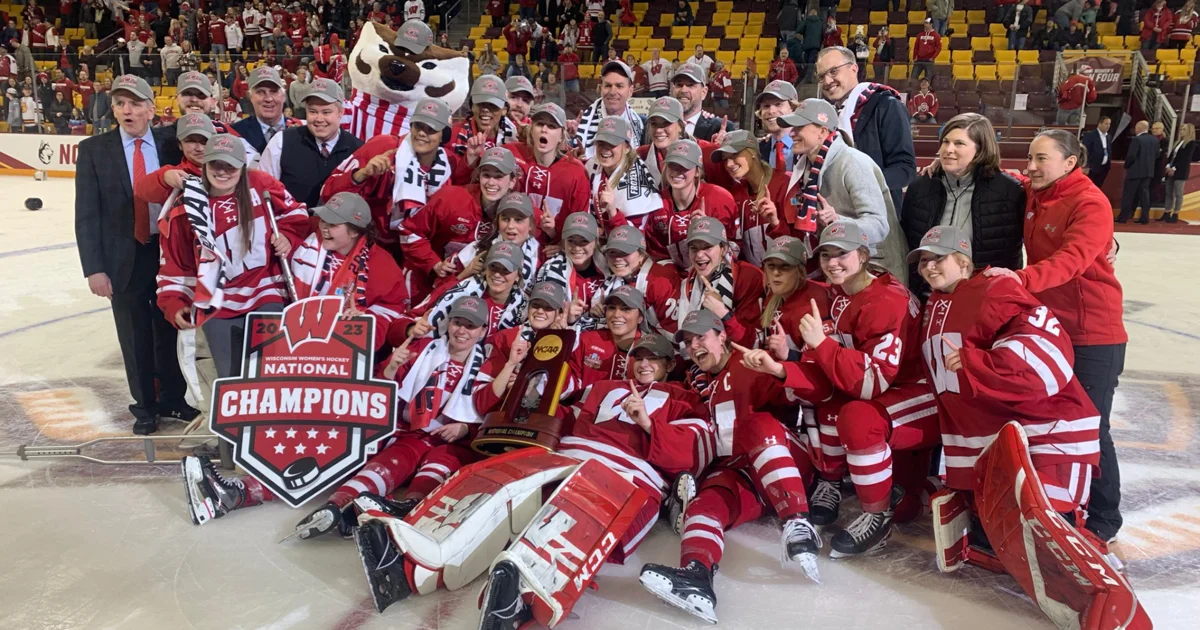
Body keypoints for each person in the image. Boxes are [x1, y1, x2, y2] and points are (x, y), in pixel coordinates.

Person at [744, 220, 939, 556]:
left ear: (863, 255)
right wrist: (783, 368)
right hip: (886, 394)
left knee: (857, 416)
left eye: (841, 254)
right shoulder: (835, 294)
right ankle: (833, 481)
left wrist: (821, 345)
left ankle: (877, 515)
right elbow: (829, 372)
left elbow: (871, 382)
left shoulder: (886, 300)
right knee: (827, 397)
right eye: (826, 255)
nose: (832, 262)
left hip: (920, 392)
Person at [983, 129, 1127, 553]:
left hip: (1093, 333)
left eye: (1041, 158)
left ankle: (1104, 517)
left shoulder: (1090, 203)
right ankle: (1061, 503)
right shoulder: (1037, 189)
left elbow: (1072, 260)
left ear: (1070, 163)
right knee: (1050, 421)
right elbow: (1016, 177)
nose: (1031, 166)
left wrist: (1020, 279)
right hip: (1050, 329)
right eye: (1029, 157)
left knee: (1091, 425)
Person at [909, 223, 1101, 538]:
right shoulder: (936, 303)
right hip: (989, 438)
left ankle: (1078, 532)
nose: (929, 267)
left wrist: (976, 362)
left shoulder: (996, 288)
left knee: (1046, 516)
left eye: (938, 258)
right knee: (996, 526)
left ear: (963, 261)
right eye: (923, 261)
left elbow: (1047, 356)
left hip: (1043, 430)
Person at [638, 309, 821, 624]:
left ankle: (798, 523)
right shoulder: (697, 382)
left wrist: (780, 366)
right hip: (745, 474)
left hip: (787, 462)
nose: (694, 346)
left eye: (701, 337)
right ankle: (697, 575)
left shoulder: (749, 363)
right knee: (703, 505)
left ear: (722, 336)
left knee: (756, 424)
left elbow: (812, 390)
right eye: (688, 342)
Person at [74, 74, 197, 436]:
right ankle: (144, 407)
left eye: (135, 103)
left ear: (151, 109)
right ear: (113, 109)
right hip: (122, 258)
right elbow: (86, 215)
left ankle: (173, 398)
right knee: (134, 335)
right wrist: (94, 269)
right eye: (120, 104)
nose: (127, 110)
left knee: (169, 331)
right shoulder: (94, 150)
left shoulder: (170, 143)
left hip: (167, 252)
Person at [156, 133, 308, 381]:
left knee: (269, 376)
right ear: (205, 165)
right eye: (216, 164)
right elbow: (174, 263)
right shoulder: (187, 206)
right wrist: (173, 303)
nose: (222, 172)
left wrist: (288, 237)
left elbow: (296, 214)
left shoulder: (260, 183)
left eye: (230, 165)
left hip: (266, 291)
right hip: (216, 303)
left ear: (242, 166)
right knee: (229, 381)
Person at [777, 99, 909, 283]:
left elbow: (879, 225)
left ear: (823, 131)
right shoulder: (806, 166)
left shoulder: (853, 163)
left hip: (875, 269)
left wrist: (838, 221)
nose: (792, 133)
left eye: (800, 127)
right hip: (839, 265)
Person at [900, 113, 1025, 296]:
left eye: (959, 143)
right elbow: (908, 245)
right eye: (945, 142)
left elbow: (1013, 255)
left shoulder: (1009, 192)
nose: (948, 149)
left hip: (985, 296)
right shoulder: (920, 187)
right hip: (927, 296)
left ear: (980, 150)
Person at [390, 146, 521, 296]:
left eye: (498, 177)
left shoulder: (520, 213)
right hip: (427, 283)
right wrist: (434, 263)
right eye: (486, 175)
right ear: (478, 176)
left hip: (479, 290)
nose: (491, 182)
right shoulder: (451, 199)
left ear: (512, 181)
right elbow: (409, 230)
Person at [814, 46, 916, 216]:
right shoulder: (828, 116)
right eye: (821, 76)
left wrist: (859, 185)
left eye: (833, 71)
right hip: (836, 214)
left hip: (878, 215)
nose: (827, 81)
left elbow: (905, 169)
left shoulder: (887, 105)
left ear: (854, 68)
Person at [258, 77, 363, 207]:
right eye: (313, 112)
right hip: (291, 219)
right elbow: (262, 190)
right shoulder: (282, 142)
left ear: (340, 113)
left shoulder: (358, 150)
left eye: (326, 112)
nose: (319, 119)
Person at [644, 140, 738, 270]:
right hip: (671, 274)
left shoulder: (719, 199)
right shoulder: (655, 202)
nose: (677, 171)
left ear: (697, 171)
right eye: (672, 165)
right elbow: (654, 254)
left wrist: (710, 234)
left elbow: (736, 249)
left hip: (714, 272)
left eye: (684, 166)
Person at [504, 103, 592, 239]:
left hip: (554, 245)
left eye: (551, 126)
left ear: (561, 136)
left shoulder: (577, 172)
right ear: (531, 129)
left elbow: (580, 223)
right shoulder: (510, 153)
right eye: (540, 124)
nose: (544, 130)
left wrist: (561, 242)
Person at [712, 130, 792, 265]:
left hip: (788, 270)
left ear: (753, 152)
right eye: (725, 159)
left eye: (735, 155)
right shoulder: (735, 194)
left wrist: (776, 224)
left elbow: (802, 241)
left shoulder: (785, 183)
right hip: (755, 274)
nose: (729, 164)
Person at [584, 116, 661, 234]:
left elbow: (635, 237)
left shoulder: (637, 183)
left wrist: (613, 212)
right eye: (601, 142)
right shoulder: (593, 164)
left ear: (627, 147)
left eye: (612, 143)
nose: (604, 149)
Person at [573, 59, 645, 157]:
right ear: (601, 89)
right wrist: (568, 139)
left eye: (619, 86)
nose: (612, 92)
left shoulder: (641, 125)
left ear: (630, 91)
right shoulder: (581, 124)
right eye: (608, 85)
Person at [230, 65, 293, 155]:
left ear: (284, 96)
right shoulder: (236, 133)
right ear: (251, 97)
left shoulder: (301, 132)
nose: (268, 99)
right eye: (260, 92)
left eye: (274, 91)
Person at [671, 61, 736, 142]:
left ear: (703, 92)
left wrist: (721, 147)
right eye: (679, 85)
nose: (683, 90)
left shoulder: (721, 128)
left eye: (690, 85)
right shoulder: (658, 125)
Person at [755, 80, 799, 173]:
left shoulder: (807, 146)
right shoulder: (758, 150)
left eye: (778, 104)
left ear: (793, 108)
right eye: (766, 106)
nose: (771, 111)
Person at [1118, 120, 1158, 224]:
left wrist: (1127, 165)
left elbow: (1131, 155)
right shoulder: (1154, 140)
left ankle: (1123, 217)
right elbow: (1157, 155)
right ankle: (1144, 217)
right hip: (1148, 172)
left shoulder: (1137, 140)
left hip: (1135, 172)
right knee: (1145, 195)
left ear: (1139, 128)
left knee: (1128, 195)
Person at [1162, 122, 1196, 223]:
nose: (1181, 131)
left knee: (1178, 193)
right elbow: (1172, 156)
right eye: (1181, 129)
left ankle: (1176, 213)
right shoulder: (1178, 142)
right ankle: (1167, 212)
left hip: (1180, 171)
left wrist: (1174, 168)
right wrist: (1168, 166)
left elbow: (1186, 158)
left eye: (1184, 129)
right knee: (1169, 192)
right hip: (1171, 169)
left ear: (1189, 131)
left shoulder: (1191, 143)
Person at [1082, 116, 1113, 189]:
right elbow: (1086, 150)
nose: (1108, 126)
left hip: (1104, 168)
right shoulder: (1090, 135)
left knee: (1098, 187)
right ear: (1099, 124)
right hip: (1092, 168)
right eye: (1106, 123)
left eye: (1109, 124)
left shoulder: (1108, 137)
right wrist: (1086, 166)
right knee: (1088, 187)